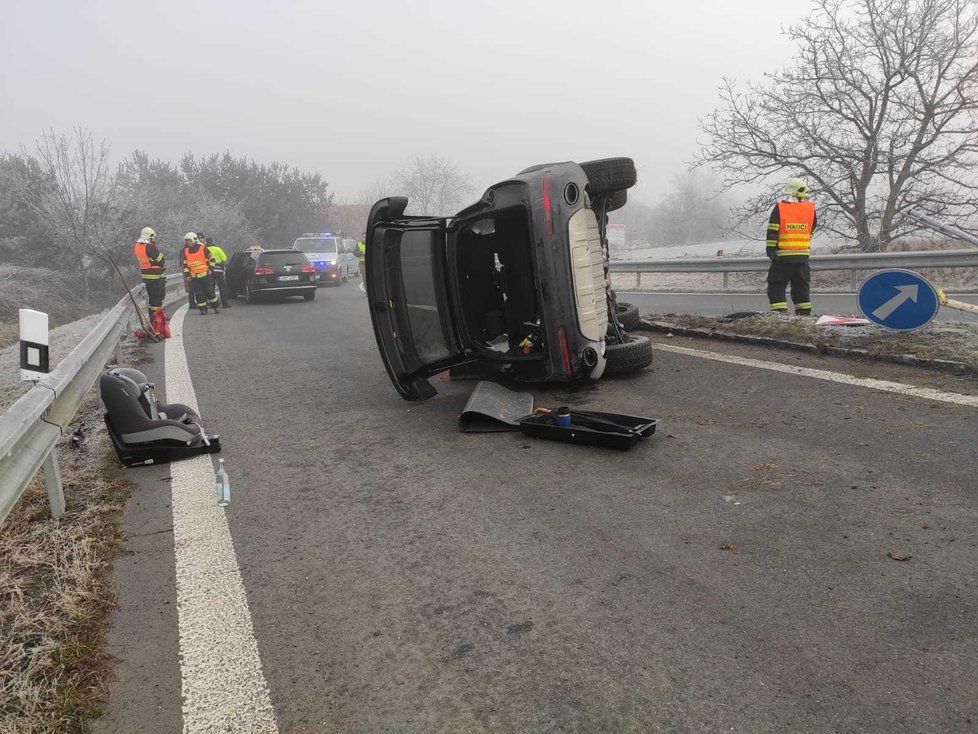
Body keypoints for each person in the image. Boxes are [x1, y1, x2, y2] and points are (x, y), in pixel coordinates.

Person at [766, 177, 816, 316]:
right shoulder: (809, 209)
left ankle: (780, 315)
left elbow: (772, 231)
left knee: (776, 286)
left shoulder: (781, 208)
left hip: (782, 258)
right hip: (802, 257)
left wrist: (771, 251)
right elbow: (810, 229)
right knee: (801, 287)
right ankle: (804, 315)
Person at [182, 232, 220, 315]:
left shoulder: (202, 248)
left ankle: (215, 307)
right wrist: (187, 275)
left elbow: (212, 258)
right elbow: (185, 265)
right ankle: (203, 309)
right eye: (187, 241)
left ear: (194, 240)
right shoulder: (186, 251)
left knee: (210, 292)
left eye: (189, 240)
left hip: (205, 275)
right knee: (199, 294)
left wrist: (211, 269)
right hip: (194, 277)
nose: (188, 242)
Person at [133, 226, 166, 316]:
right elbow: (161, 261)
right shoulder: (150, 247)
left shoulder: (137, 247)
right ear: (150, 236)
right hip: (156, 277)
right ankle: (157, 319)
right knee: (158, 299)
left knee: (152, 299)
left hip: (146, 277)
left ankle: (153, 317)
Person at [205, 237, 231, 308]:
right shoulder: (218, 249)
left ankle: (213, 304)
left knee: (211, 288)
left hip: (209, 271)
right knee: (222, 288)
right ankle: (225, 304)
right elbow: (224, 258)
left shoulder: (205, 250)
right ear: (213, 241)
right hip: (219, 271)